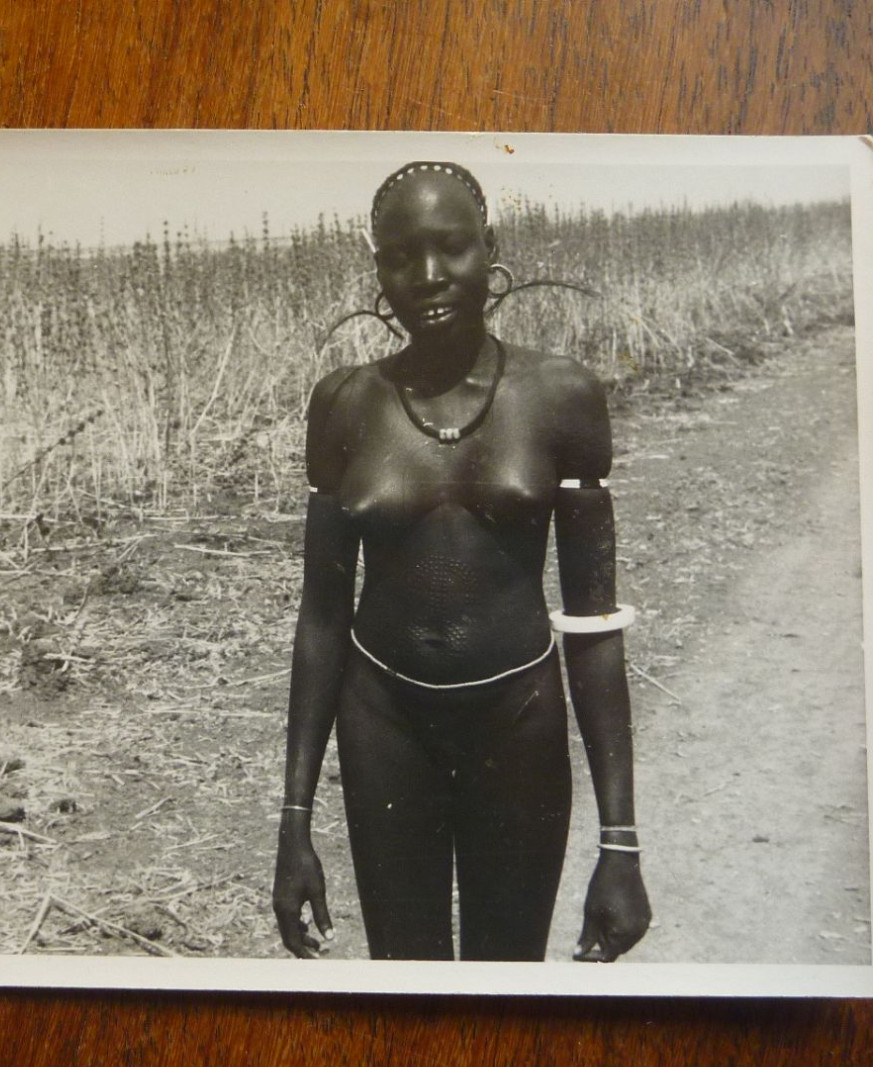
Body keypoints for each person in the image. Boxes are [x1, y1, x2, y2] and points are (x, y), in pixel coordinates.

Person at [272, 161, 652, 962]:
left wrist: (620, 844)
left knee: (507, 986)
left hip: (518, 720)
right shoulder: (344, 404)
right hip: (382, 726)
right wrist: (294, 823)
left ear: (492, 252)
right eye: (402, 256)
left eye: (452, 247)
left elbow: (593, 628)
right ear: (378, 270)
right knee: (403, 989)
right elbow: (320, 620)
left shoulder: (562, 398)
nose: (429, 275)